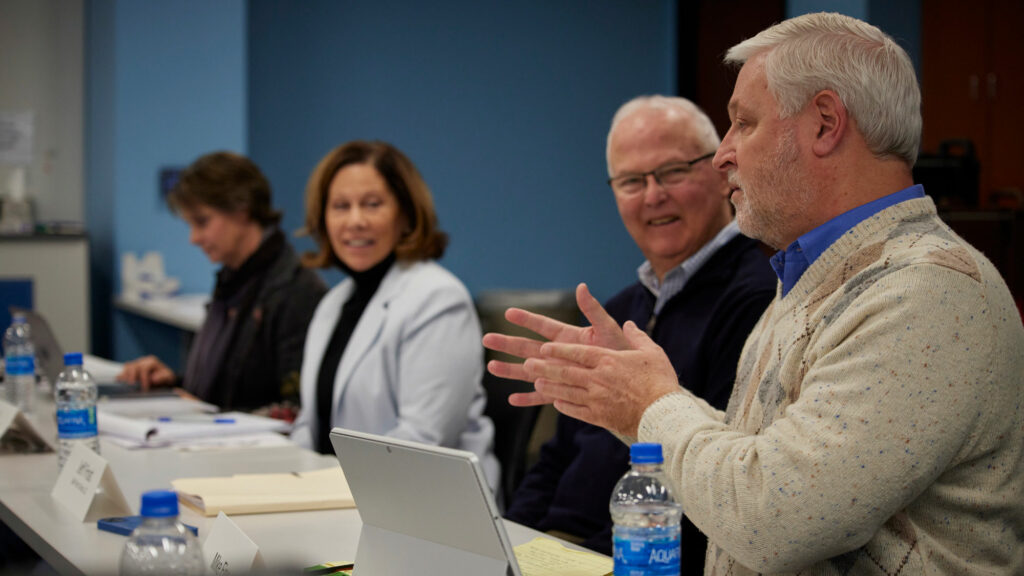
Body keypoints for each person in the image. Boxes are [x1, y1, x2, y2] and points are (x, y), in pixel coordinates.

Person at [485, 12, 1024, 575]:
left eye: (744, 123)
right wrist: (627, 401)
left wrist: (652, 405)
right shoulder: (812, 278)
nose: (723, 155)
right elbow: (760, 463)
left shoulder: (926, 292)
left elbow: (774, 519)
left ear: (824, 123)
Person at [503, 96, 775, 567]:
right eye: (632, 181)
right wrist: (506, 543)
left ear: (717, 171)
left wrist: (567, 562)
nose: (653, 196)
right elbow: (555, 458)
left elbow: (713, 492)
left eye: (672, 172)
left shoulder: (755, 297)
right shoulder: (622, 307)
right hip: (559, 552)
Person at [291, 140, 498, 486]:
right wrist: (294, 480)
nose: (355, 221)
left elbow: (422, 441)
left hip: (425, 509)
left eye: (372, 204)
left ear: (405, 215)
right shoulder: (334, 303)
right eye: (340, 206)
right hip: (339, 497)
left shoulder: (438, 298)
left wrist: (324, 488)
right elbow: (308, 424)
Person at [118, 151, 327, 413]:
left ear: (241, 209)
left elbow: (294, 412)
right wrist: (173, 383)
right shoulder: (234, 280)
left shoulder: (296, 291)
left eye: (202, 222)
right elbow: (226, 391)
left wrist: (208, 414)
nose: (193, 238)